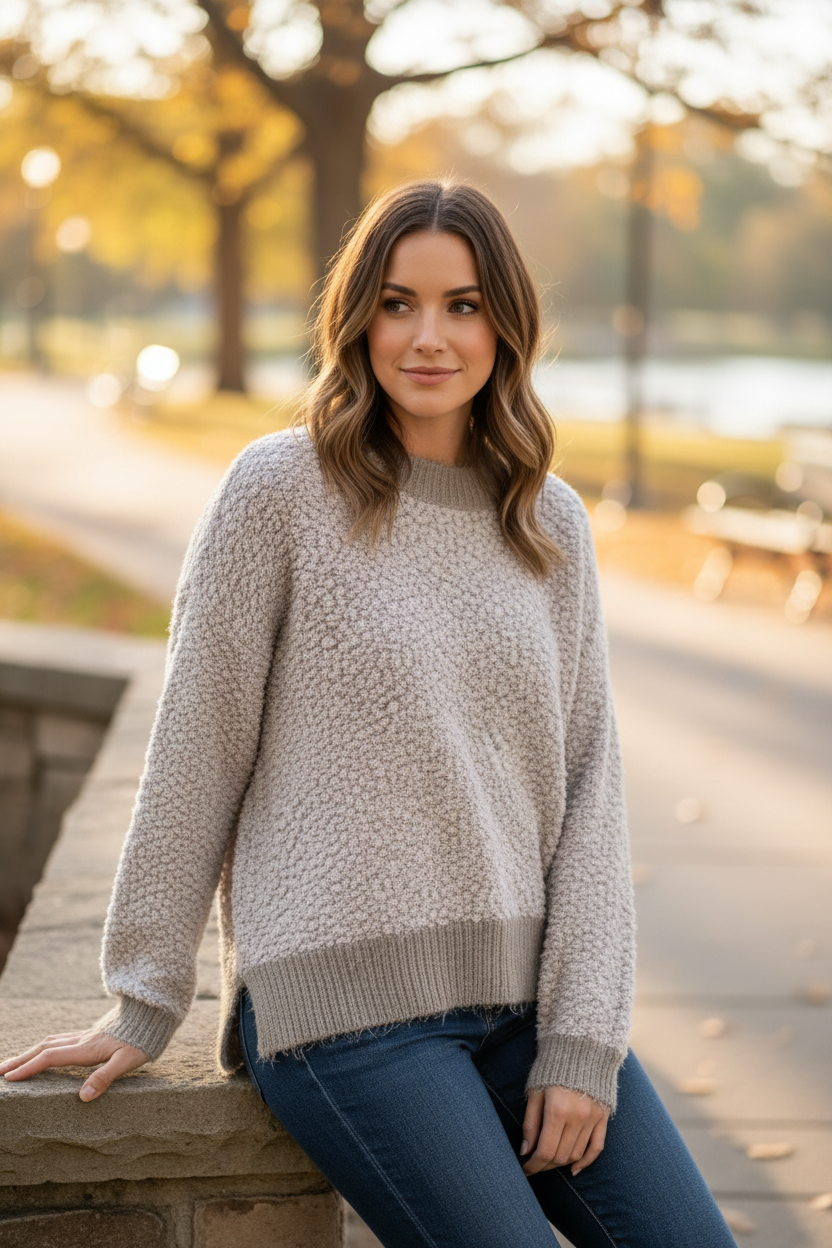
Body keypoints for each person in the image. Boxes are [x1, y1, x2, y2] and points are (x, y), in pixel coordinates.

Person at [1, 180, 735, 1248]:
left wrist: (581, 1041)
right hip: (346, 1016)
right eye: (398, 304)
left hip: (523, 1008)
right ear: (357, 319)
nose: (428, 336)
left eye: (462, 305)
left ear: (505, 325)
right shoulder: (278, 491)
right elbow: (197, 750)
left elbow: (589, 790)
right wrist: (145, 997)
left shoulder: (549, 522)